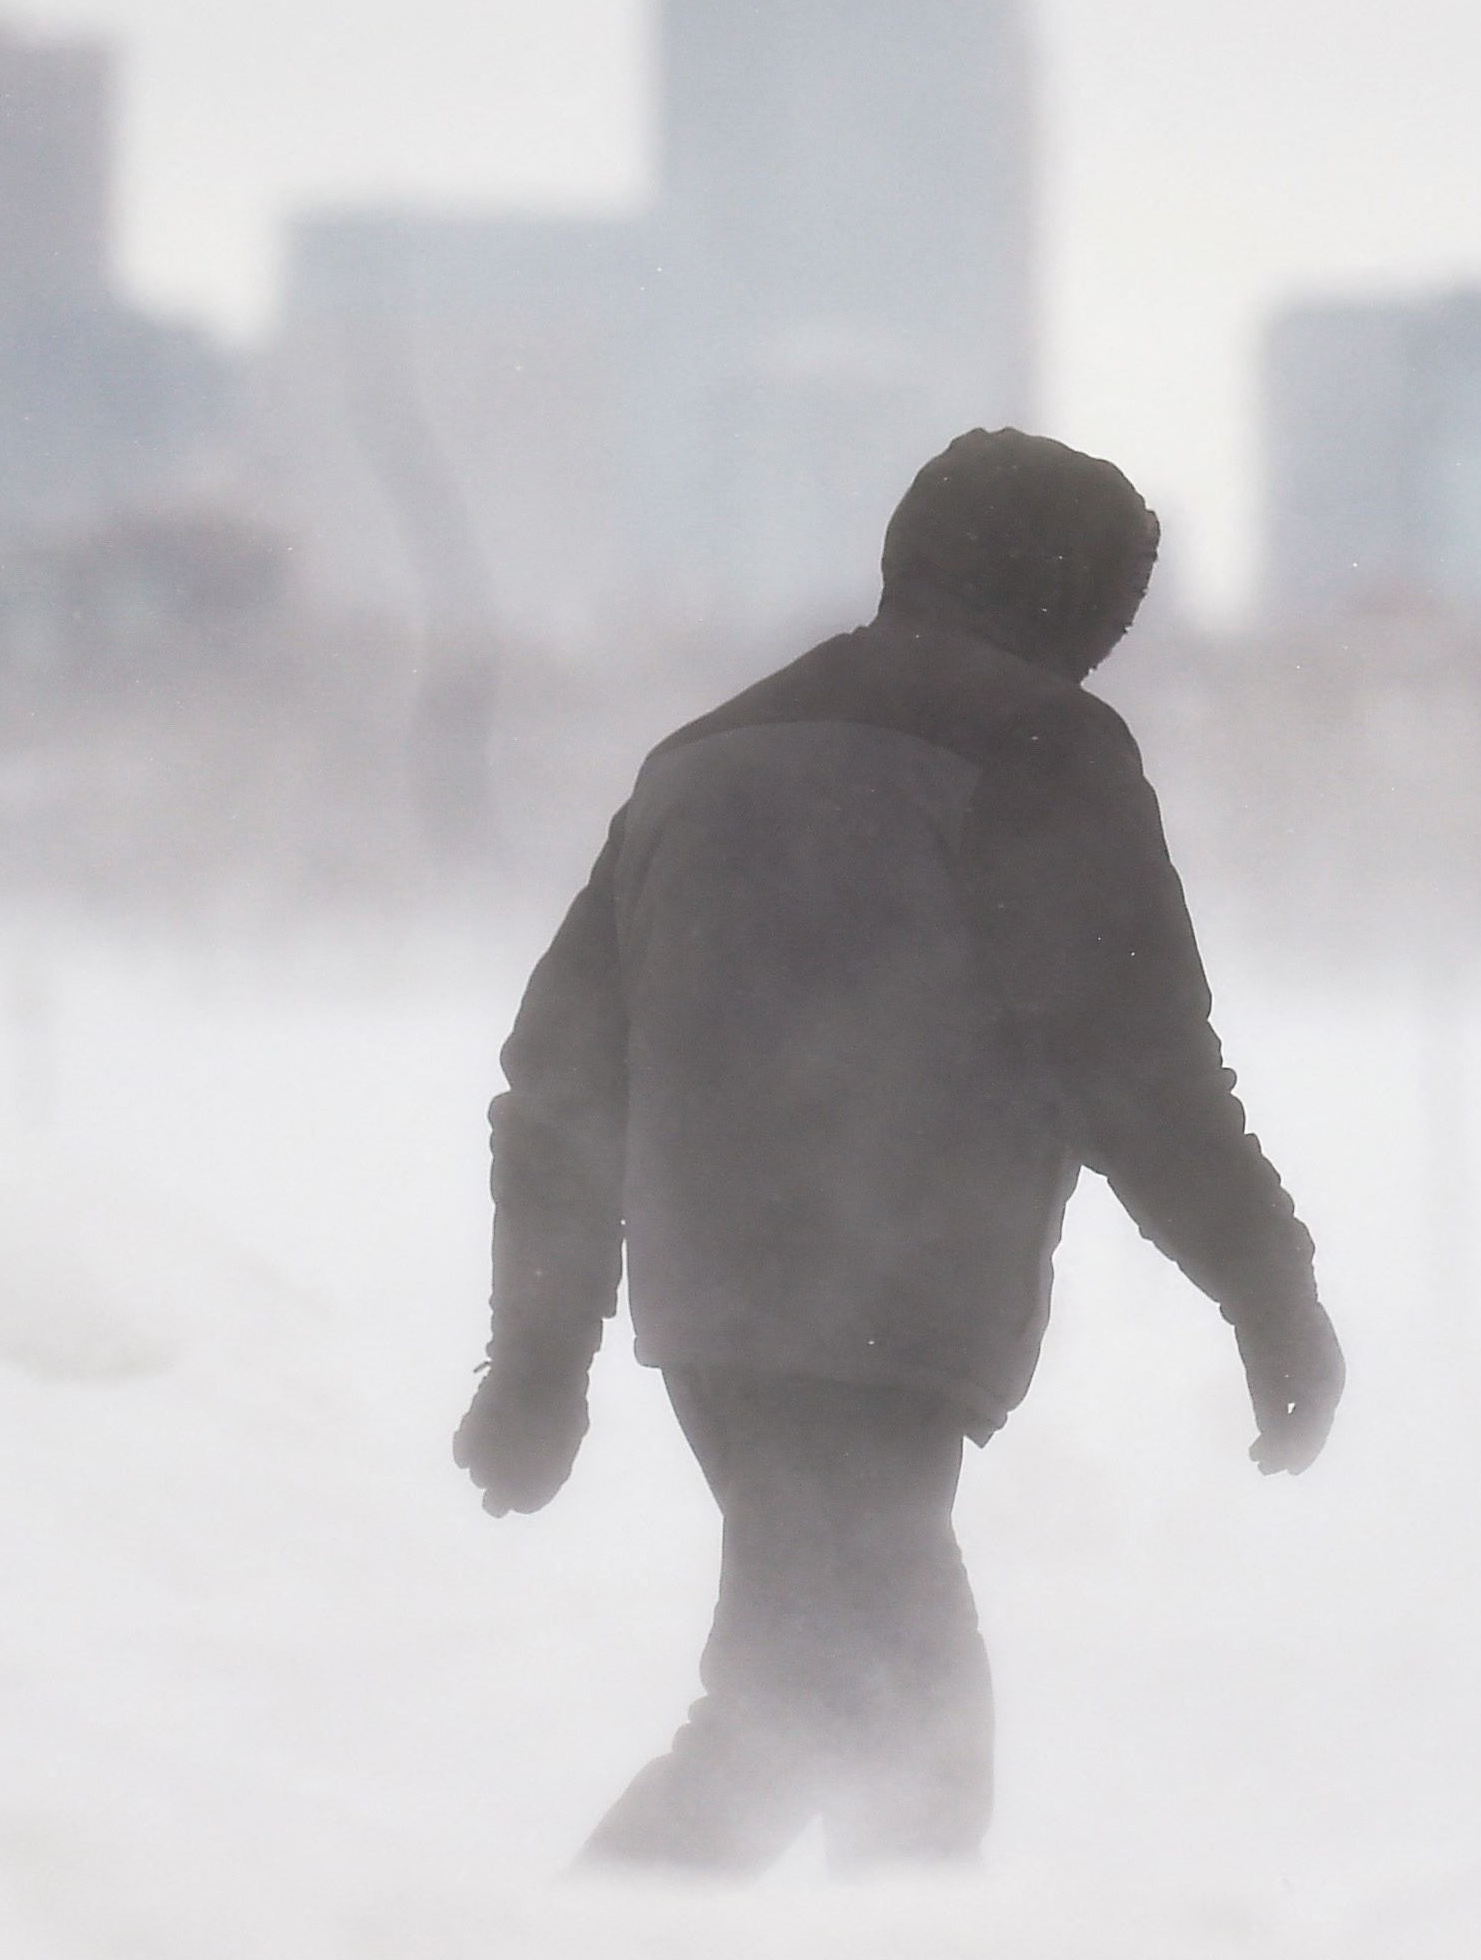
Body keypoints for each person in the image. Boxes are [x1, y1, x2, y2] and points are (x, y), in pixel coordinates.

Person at [451, 427, 1345, 1873]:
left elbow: (560, 1083)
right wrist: (1270, 1294)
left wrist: (538, 1360)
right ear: (1069, 593)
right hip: (880, 1316)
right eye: (1115, 599)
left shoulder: (701, 756)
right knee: (879, 1743)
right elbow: (1140, 1066)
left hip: (721, 1324)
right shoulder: (1041, 748)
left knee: (817, 1716)